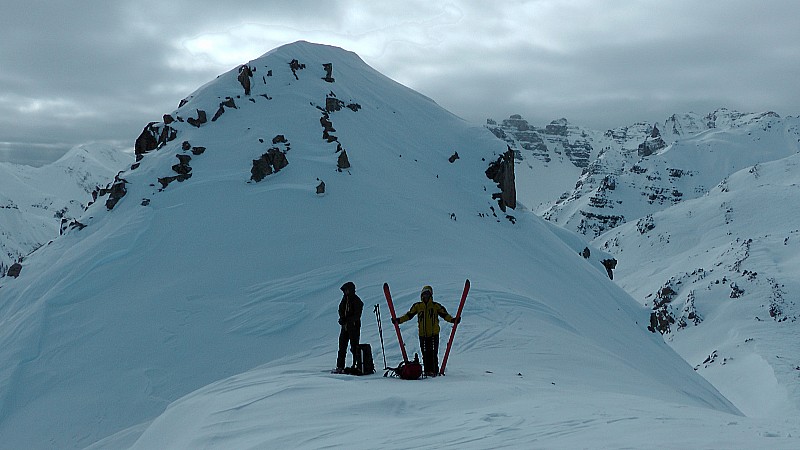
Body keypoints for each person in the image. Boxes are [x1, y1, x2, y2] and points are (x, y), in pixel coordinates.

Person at [392, 285, 460, 376]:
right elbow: (409, 315)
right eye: (424, 294)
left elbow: (445, 315)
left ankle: (435, 371)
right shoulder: (417, 306)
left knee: (433, 353)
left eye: (427, 294)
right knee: (425, 353)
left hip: (433, 334)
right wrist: (398, 320)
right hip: (422, 335)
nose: (426, 296)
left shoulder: (436, 306)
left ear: (431, 295)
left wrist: (453, 320)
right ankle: (427, 371)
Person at [336, 281, 363, 374]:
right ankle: (340, 366)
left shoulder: (356, 300)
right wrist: (342, 318)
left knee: (354, 347)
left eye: (346, 290)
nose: (345, 292)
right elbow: (340, 309)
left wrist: (346, 319)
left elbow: (357, 315)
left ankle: (357, 366)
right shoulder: (345, 299)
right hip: (345, 327)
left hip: (353, 327)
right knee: (342, 347)